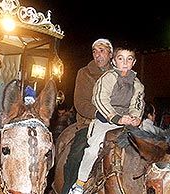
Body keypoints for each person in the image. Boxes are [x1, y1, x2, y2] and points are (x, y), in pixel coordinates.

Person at [69, 45, 145, 194]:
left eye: (129, 59)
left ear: (133, 62)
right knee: (92, 150)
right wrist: (115, 117)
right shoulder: (108, 78)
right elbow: (100, 98)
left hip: (127, 122)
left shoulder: (138, 84)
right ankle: (79, 183)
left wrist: (136, 117)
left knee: (146, 146)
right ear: (114, 61)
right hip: (106, 120)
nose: (125, 62)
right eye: (120, 58)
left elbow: (137, 103)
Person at [61, 38, 114, 194]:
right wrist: (99, 113)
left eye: (102, 51)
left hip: (115, 124)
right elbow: (80, 102)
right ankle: (68, 189)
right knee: (76, 156)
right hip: (89, 123)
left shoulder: (119, 74)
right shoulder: (84, 73)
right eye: (94, 51)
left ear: (110, 54)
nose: (97, 55)